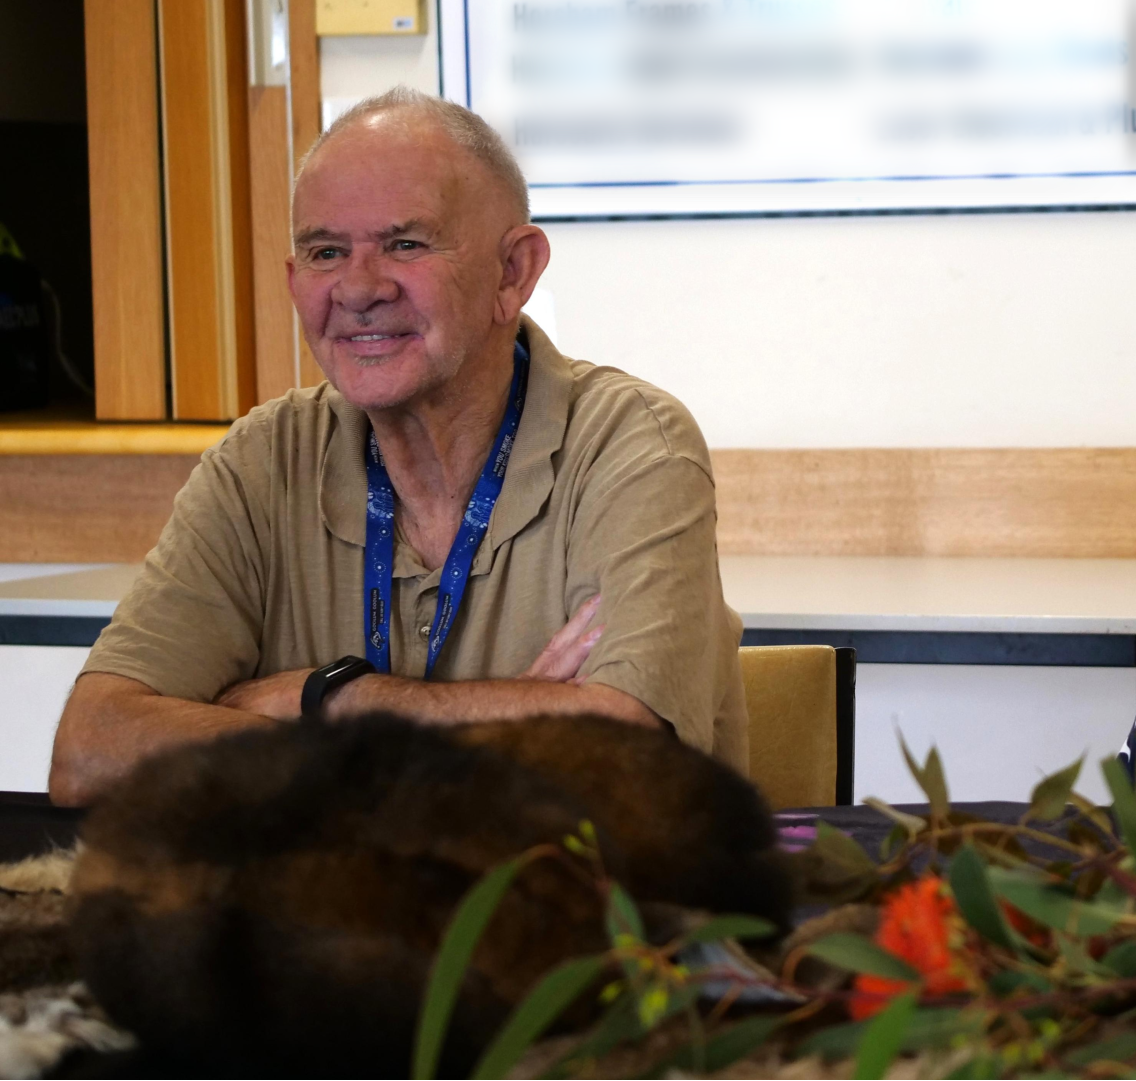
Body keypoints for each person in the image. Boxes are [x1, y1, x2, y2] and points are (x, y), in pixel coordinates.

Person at [49, 88, 748, 807]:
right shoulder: (263, 458)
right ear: (295, 284)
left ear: (514, 273)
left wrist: (329, 700)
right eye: (325, 251)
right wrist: (520, 716)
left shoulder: (631, 444)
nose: (358, 288)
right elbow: (90, 750)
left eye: (405, 244)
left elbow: (622, 761)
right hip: (325, 909)